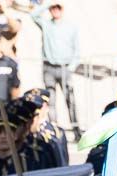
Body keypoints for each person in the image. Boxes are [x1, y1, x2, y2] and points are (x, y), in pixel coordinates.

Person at [32, 1, 82, 136]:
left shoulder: (71, 27)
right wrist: (48, 3)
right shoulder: (46, 24)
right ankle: (54, 130)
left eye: (57, 8)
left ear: (62, 10)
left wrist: (71, 67)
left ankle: (76, 130)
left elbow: (77, 50)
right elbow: (33, 15)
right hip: (49, 67)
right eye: (53, 8)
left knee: (70, 100)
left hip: (64, 67)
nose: (55, 10)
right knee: (51, 101)